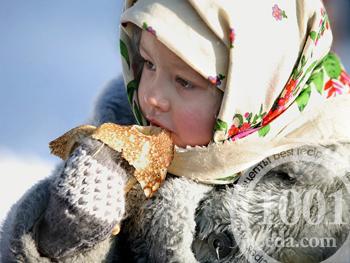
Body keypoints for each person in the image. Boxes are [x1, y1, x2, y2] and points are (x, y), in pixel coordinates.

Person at [1, 0, 350, 262]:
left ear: (256, 89)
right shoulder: (124, 143)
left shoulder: (319, 207)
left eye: (184, 81)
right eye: (148, 63)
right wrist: (67, 232)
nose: (151, 96)